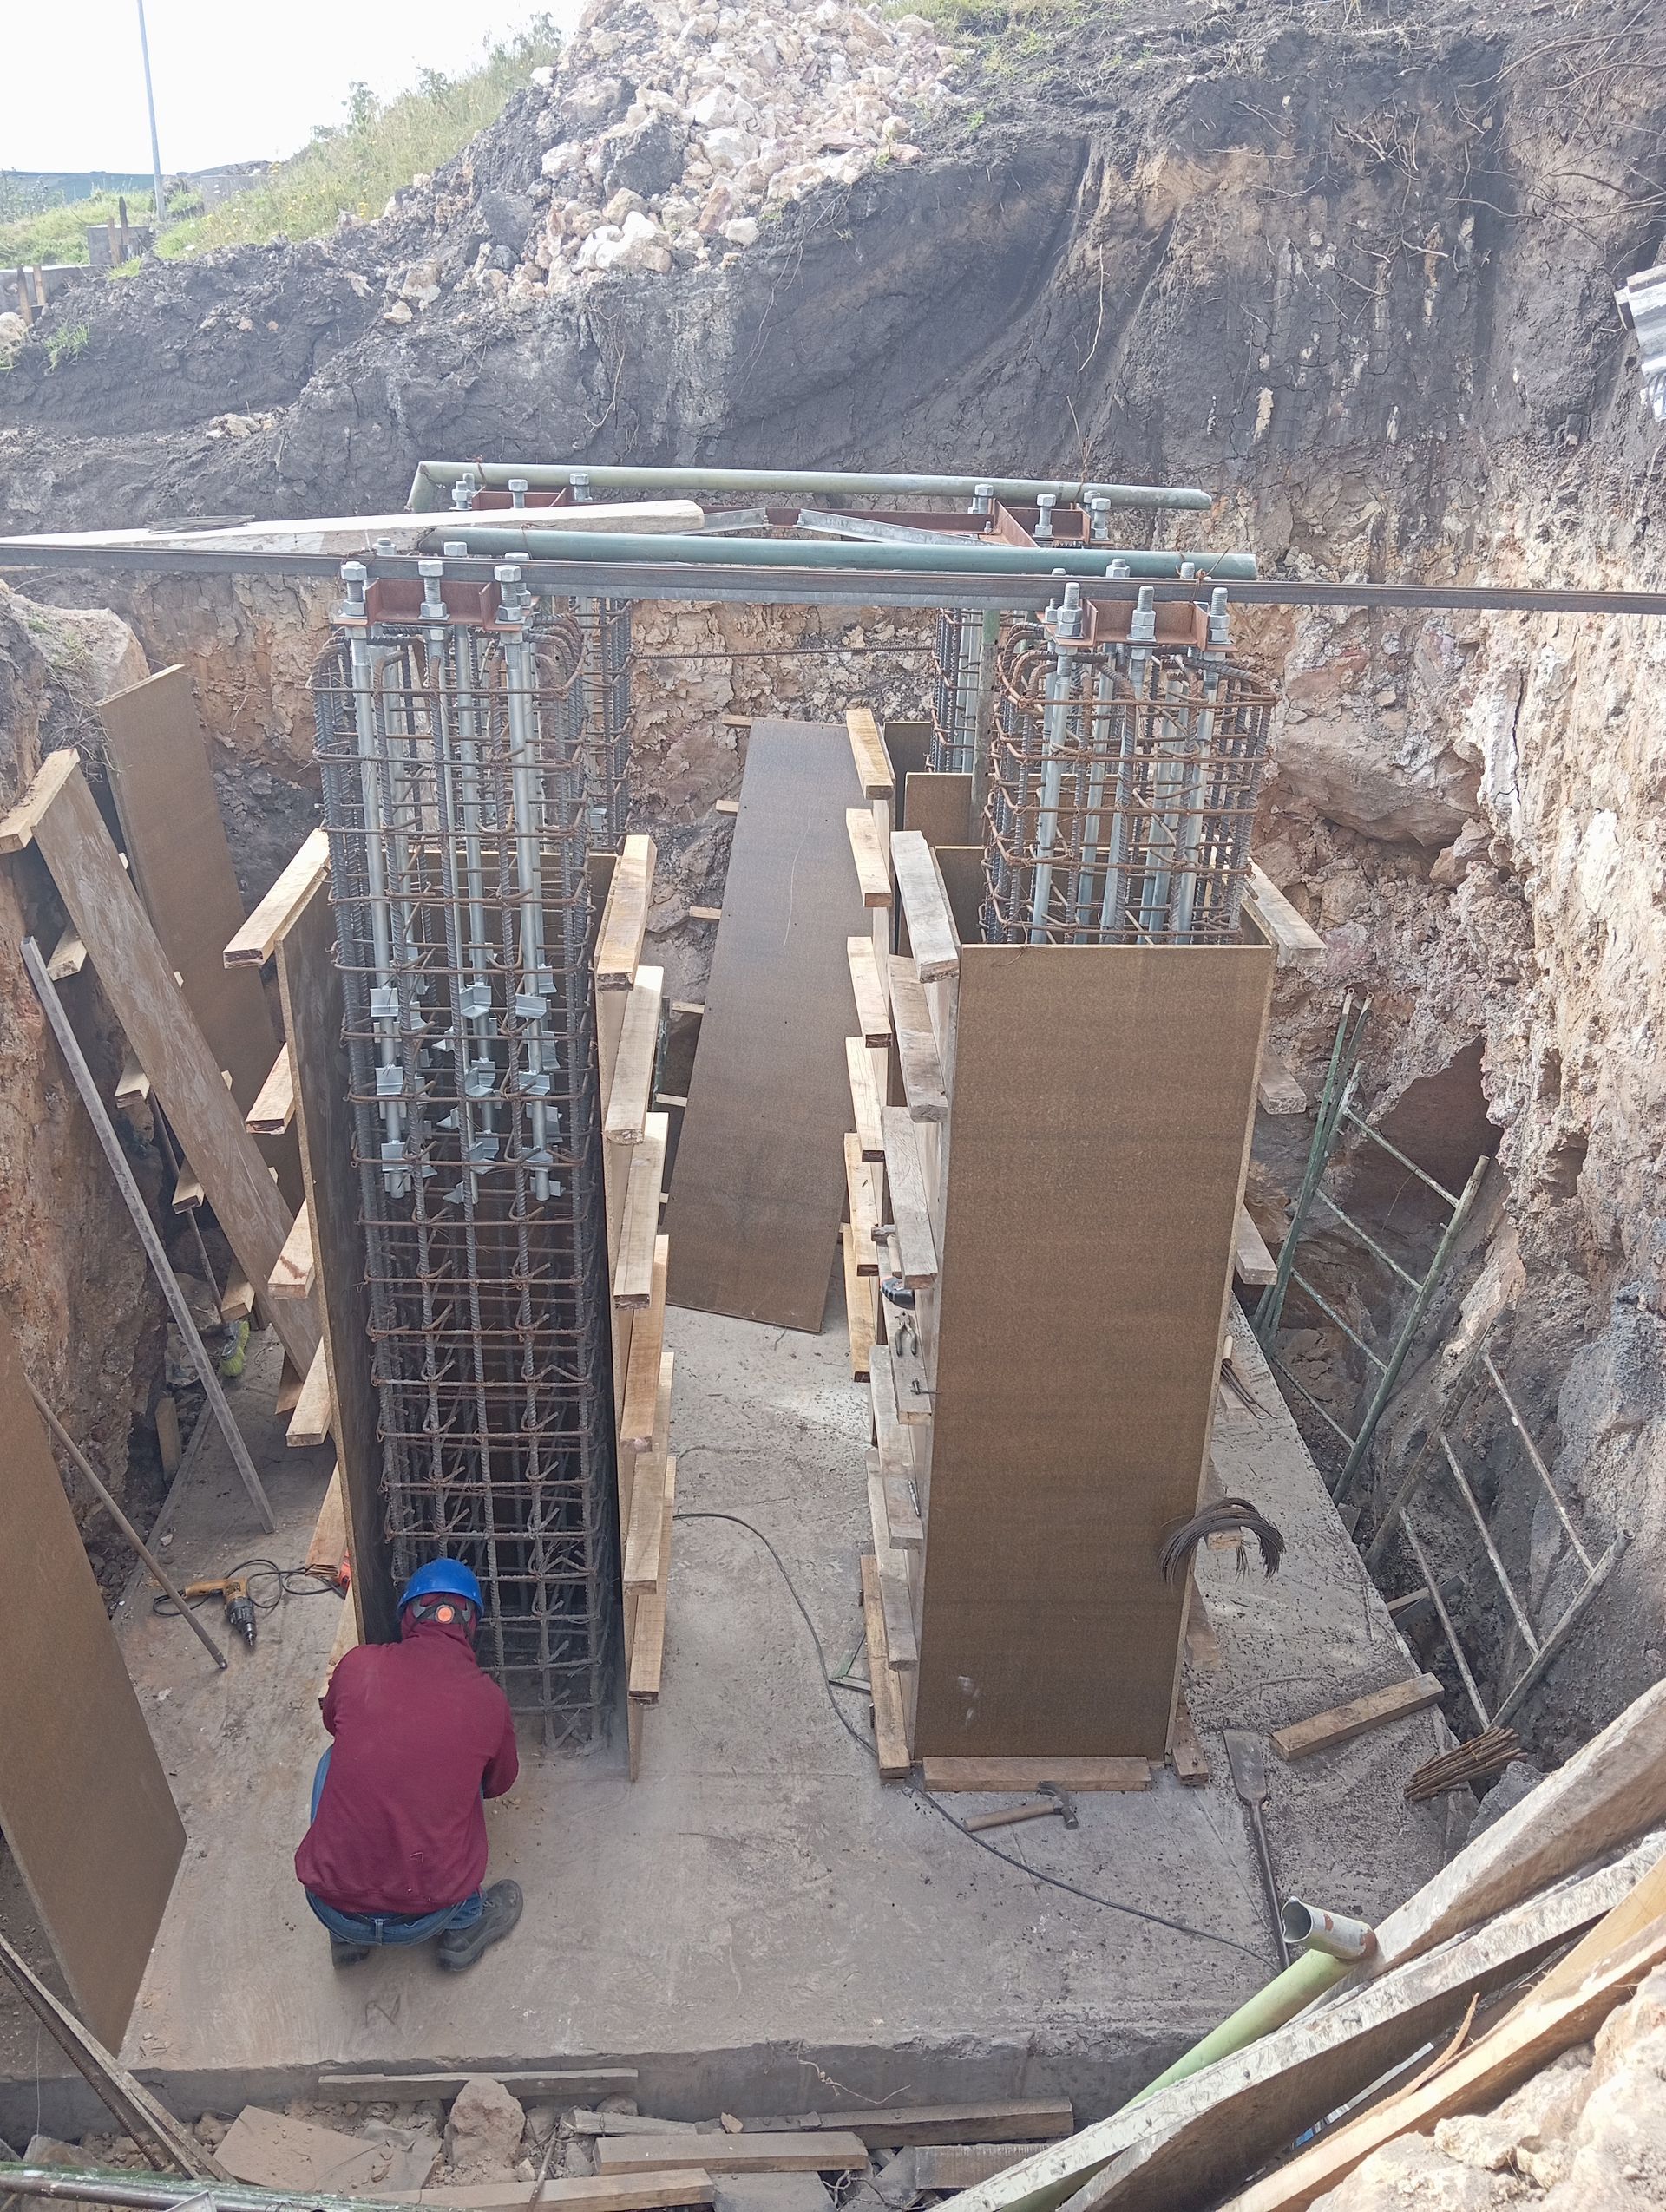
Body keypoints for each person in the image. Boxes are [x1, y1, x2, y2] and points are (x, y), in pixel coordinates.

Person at [295, 1559, 522, 1969]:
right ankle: (465, 1927)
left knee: (335, 1757)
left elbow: (332, 1722)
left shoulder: (359, 1665)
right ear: (471, 1627)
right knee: (467, 1782)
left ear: (407, 1617)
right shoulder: (489, 1702)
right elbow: (500, 1783)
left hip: (331, 1907)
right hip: (428, 1916)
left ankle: (347, 1940)